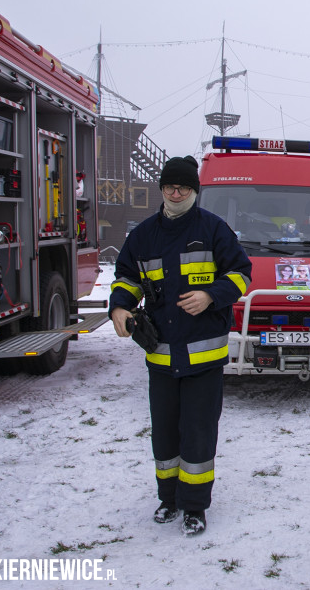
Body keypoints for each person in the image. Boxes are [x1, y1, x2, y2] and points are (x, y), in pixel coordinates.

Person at [109, 156, 252, 537]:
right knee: (165, 434)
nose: (177, 193)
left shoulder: (213, 229)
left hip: (203, 357)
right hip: (161, 355)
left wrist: (210, 295)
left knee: (198, 432)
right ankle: (168, 498)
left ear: (194, 191)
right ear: (162, 189)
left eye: (184, 187)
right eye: (171, 187)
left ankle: (194, 506)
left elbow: (241, 274)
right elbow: (126, 276)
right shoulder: (143, 235)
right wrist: (120, 306)